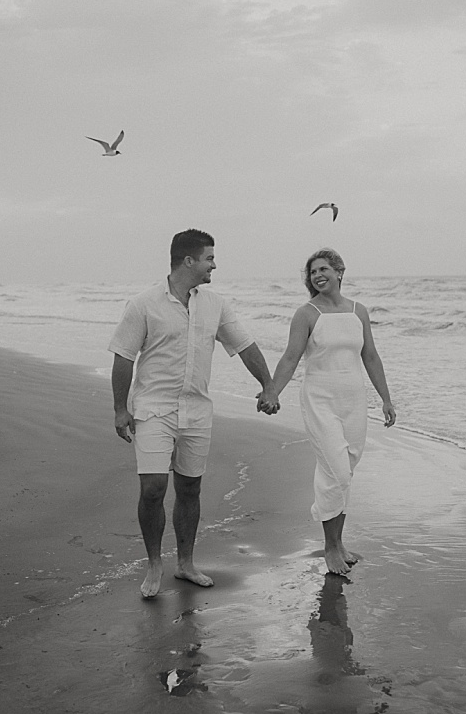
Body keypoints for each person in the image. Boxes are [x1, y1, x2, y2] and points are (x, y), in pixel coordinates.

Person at [110, 229, 278, 599]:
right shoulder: (143, 304)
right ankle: (155, 564)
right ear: (188, 261)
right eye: (209, 258)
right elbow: (124, 357)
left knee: (190, 487)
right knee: (153, 489)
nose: (214, 265)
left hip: (197, 410)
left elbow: (244, 345)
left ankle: (185, 563)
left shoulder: (215, 303)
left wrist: (268, 384)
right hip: (154, 408)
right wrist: (121, 409)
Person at [260, 249, 396, 576]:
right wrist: (272, 391)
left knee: (344, 473)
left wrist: (386, 399)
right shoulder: (306, 314)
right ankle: (330, 548)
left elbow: (371, 357)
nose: (317, 275)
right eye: (312, 272)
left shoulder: (358, 311)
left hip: (354, 402)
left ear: (339, 271)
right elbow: (291, 357)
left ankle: (338, 542)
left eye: (323, 269)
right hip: (320, 400)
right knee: (336, 472)